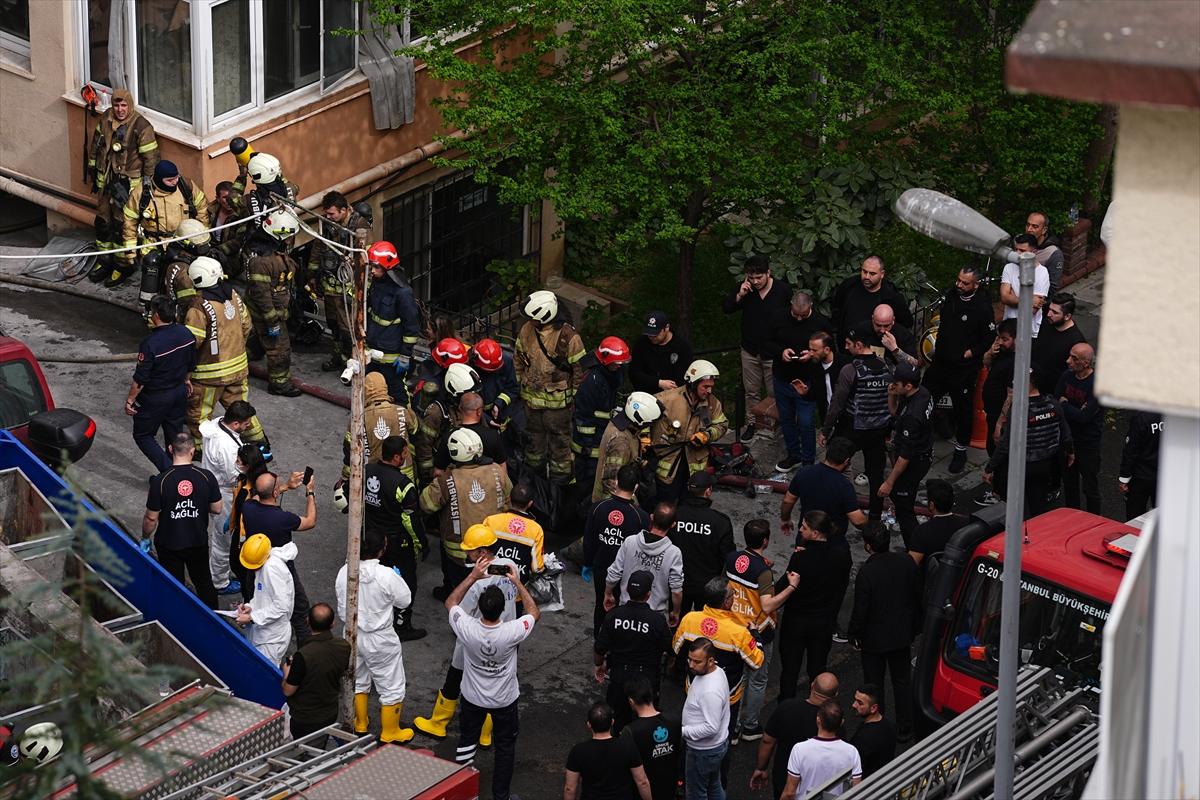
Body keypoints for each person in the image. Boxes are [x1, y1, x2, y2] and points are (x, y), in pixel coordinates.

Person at [414, 524, 519, 747]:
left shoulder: (476, 583)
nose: (466, 553)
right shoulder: (509, 566)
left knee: (453, 678)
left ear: (482, 552)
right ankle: (486, 734)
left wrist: (471, 578)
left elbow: (458, 608)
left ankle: (438, 723)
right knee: (495, 685)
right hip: (505, 637)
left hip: (473, 639)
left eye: (470, 550)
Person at [445, 553, 541, 800]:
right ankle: (501, 796)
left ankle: (464, 792)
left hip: (472, 697)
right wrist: (518, 582)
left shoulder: (467, 627)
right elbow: (533, 611)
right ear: (502, 610)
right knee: (505, 748)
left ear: (481, 608)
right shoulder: (512, 631)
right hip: (504, 700)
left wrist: (473, 576)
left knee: (467, 742)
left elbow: (451, 602)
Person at [183, 256, 267, 457]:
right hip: (238, 368)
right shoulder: (234, 295)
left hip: (209, 375)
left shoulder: (199, 306)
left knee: (199, 413)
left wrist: (185, 372)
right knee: (241, 409)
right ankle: (259, 442)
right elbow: (246, 325)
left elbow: (191, 343)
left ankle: (203, 450)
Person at [337, 529, 416, 743]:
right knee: (391, 684)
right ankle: (390, 732)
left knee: (359, 678)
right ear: (382, 549)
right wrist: (397, 579)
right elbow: (405, 601)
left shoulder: (345, 571)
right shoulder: (386, 575)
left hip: (352, 634)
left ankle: (360, 723)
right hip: (379, 638)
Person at [727, 520, 800, 742]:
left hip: (733, 627)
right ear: (766, 541)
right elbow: (768, 606)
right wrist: (791, 587)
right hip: (757, 632)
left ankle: (733, 727)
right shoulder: (763, 571)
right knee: (757, 680)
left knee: (735, 679)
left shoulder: (732, 558)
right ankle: (749, 726)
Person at [673, 578, 765, 751]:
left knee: (690, 737)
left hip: (693, 689)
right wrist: (756, 635)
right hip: (728, 698)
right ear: (726, 602)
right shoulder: (739, 633)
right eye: (733, 594)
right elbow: (757, 661)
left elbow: (675, 648)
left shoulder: (689, 620)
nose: (734, 597)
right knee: (722, 741)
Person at [420, 427, 512, 599]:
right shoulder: (496, 470)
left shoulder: (448, 479)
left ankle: (455, 598)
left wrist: (437, 481)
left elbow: (426, 504)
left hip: (459, 554)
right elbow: (509, 499)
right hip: (494, 548)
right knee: (493, 588)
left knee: (463, 594)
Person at [848, 522, 920, 741]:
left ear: (868, 546)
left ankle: (878, 723)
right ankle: (905, 727)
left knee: (874, 682)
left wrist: (854, 634)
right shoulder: (906, 562)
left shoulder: (867, 572)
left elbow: (861, 609)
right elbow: (917, 594)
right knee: (901, 681)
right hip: (901, 635)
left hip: (874, 640)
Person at [921, 266, 995, 474]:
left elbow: (989, 336)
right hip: (941, 362)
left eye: (965, 283)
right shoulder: (952, 296)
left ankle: (961, 450)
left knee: (963, 409)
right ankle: (922, 440)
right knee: (923, 397)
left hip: (963, 368)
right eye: (958, 280)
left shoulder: (982, 306)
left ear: (976, 284)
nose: (959, 285)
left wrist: (971, 353)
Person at [515, 289, 588, 486]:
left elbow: (580, 371)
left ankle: (560, 484)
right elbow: (519, 358)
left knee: (560, 446)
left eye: (533, 318)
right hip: (531, 405)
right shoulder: (526, 330)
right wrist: (522, 380)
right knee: (533, 444)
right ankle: (533, 481)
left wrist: (573, 399)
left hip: (558, 409)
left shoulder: (569, 338)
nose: (529, 322)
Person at [141, 433, 222, 609]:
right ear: (192, 451)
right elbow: (217, 508)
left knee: (173, 585)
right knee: (204, 582)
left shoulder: (161, 481)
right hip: (197, 541)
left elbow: (150, 518)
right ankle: (216, 619)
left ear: (170, 450)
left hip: (169, 544)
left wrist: (145, 537)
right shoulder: (206, 476)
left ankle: (175, 618)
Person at [776, 511, 851, 700]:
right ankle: (818, 705)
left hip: (796, 622)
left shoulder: (800, 558)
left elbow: (782, 587)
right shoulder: (839, 558)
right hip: (823, 622)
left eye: (804, 527)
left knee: (790, 670)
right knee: (817, 668)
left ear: (815, 533)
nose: (800, 529)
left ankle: (786, 707)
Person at [86, 87, 158, 282]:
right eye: (116, 105)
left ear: (130, 105)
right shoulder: (106, 118)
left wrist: (146, 187)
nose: (119, 109)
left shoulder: (142, 126)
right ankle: (104, 260)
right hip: (106, 181)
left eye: (124, 105)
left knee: (122, 225)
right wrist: (93, 170)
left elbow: (151, 160)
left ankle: (122, 266)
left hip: (127, 185)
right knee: (102, 222)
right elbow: (96, 146)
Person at [820, 327, 892, 520]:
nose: (845, 347)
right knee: (876, 476)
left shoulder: (850, 370)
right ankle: (875, 518)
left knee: (833, 466)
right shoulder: (886, 366)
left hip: (852, 428)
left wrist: (825, 430)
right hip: (877, 431)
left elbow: (836, 404)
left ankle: (833, 508)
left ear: (859, 345)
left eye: (849, 344)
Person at [241, 470, 317, 643]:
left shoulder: (248, 508)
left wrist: (285, 487)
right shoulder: (283, 519)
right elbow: (310, 521)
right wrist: (310, 492)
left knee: (255, 604)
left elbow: (260, 497)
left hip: (255, 566)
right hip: (282, 569)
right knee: (300, 610)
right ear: (275, 493)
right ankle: (303, 654)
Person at [723, 255, 792, 441]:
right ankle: (752, 423)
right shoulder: (745, 289)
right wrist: (740, 295)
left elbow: (790, 318)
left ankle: (775, 424)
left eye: (759, 277)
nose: (755, 282)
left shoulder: (782, 290)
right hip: (750, 350)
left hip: (773, 352)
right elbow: (727, 308)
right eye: (751, 278)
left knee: (774, 392)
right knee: (751, 391)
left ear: (768, 273)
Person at [364, 435, 427, 641]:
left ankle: (373, 614)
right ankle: (402, 625)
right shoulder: (404, 485)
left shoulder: (365, 471)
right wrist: (421, 543)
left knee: (372, 578)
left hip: (371, 538)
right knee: (407, 582)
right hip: (397, 542)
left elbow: (344, 498)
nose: (407, 457)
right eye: (405, 453)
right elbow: (411, 521)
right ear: (398, 457)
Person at [594, 570, 672, 734]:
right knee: (646, 725)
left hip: (619, 677)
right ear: (649, 594)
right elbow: (669, 648)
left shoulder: (614, 616)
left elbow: (600, 648)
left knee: (616, 722)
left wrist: (599, 665)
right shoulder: (657, 620)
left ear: (628, 590)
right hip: (646, 681)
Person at [983, 378, 1074, 518]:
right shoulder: (1053, 404)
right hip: (1044, 465)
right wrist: (1070, 452)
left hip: (1021, 466)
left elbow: (1005, 443)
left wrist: (990, 468)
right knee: (1038, 505)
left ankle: (1019, 535)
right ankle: (1036, 534)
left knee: (1016, 508)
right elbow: (1065, 433)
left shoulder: (1019, 408)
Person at [127, 294, 196, 473]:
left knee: (143, 435)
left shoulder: (150, 343)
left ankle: (170, 472)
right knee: (174, 435)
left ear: (156, 315)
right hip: (179, 393)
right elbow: (191, 363)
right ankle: (181, 470)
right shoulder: (186, 333)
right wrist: (186, 380)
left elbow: (141, 378)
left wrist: (130, 400)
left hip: (156, 398)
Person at [113, 160, 208, 288]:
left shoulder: (185, 186)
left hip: (182, 244)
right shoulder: (141, 193)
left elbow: (202, 208)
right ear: (158, 179)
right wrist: (131, 252)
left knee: (183, 279)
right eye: (170, 180)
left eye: (176, 178)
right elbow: (129, 223)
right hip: (154, 246)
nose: (174, 182)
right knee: (154, 282)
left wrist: (201, 237)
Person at [750, 672, 840, 800]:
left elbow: (767, 741)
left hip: (784, 778)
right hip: (816, 785)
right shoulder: (833, 721)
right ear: (835, 695)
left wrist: (761, 768)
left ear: (812, 685)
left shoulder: (786, 707)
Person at [584, 463, 652, 634]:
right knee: (623, 607)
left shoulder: (598, 508)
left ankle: (600, 639)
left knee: (602, 603)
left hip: (601, 568)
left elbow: (589, 540)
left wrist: (587, 562)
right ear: (636, 487)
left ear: (615, 482)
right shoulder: (641, 517)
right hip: (627, 572)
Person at [649, 360, 728, 503]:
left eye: (711, 387)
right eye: (705, 387)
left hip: (694, 463)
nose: (709, 391)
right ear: (693, 383)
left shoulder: (713, 403)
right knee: (665, 501)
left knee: (691, 502)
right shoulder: (666, 399)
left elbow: (722, 425)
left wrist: (707, 435)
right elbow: (644, 418)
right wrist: (644, 438)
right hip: (669, 462)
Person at [768, 291, 831, 469]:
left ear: (811, 306)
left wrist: (811, 355)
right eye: (795, 314)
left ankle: (808, 461)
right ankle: (794, 455)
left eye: (803, 315)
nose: (799, 319)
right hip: (782, 378)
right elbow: (766, 342)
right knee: (786, 420)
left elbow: (828, 350)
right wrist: (781, 352)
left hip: (807, 380)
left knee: (806, 422)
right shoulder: (778, 317)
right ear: (791, 305)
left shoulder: (820, 322)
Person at [200, 400, 257, 596]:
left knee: (220, 535)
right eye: (246, 423)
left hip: (210, 483)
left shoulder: (217, 424)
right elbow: (233, 475)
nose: (248, 425)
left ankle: (219, 574)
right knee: (222, 538)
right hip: (223, 493)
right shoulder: (227, 447)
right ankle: (219, 581)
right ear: (235, 424)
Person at [308, 191, 370, 371]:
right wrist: (312, 274)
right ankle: (337, 356)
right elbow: (318, 246)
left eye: (331, 214)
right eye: (326, 213)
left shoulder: (360, 226)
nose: (328, 217)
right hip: (330, 284)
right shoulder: (327, 224)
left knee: (348, 327)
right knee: (333, 323)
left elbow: (365, 256)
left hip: (348, 287)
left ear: (343, 210)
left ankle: (351, 361)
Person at [243, 210, 303, 397]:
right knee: (280, 348)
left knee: (256, 342)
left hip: (274, 310)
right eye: (289, 236)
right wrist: (273, 322)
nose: (291, 239)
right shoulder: (261, 261)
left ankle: (245, 360)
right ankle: (279, 384)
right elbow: (261, 294)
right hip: (268, 313)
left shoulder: (272, 252)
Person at [604, 502, 684, 626]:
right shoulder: (674, 553)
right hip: (655, 614)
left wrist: (608, 593)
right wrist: (676, 611)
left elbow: (614, 572)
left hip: (626, 609)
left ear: (651, 517)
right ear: (673, 524)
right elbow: (676, 590)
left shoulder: (630, 542)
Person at [880, 363, 934, 547]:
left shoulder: (913, 414)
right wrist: (891, 395)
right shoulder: (921, 392)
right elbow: (895, 412)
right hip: (921, 451)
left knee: (904, 508)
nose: (893, 385)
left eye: (897, 383)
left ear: (908, 386)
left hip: (915, 460)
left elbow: (905, 456)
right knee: (901, 498)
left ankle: (914, 549)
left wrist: (889, 482)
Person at [282, 603, 351, 740]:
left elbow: (288, 690)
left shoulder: (302, 656)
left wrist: (286, 672)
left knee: (303, 752)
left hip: (304, 719)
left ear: (307, 622)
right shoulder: (344, 646)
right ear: (332, 624)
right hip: (330, 713)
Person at [572, 336, 632, 490]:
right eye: (617, 363)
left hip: (602, 432)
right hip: (589, 442)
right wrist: (588, 443)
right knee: (588, 480)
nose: (619, 367)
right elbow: (584, 416)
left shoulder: (611, 373)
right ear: (606, 360)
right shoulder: (592, 381)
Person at [364, 240, 421, 404]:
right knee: (370, 390)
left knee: (397, 394)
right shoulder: (375, 283)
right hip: (372, 351)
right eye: (371, 266)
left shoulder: (403, 293)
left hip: (392, 357)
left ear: (387, 267)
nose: (372, 271)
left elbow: (411, 327)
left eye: (376, 267)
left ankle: (404, 423)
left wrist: (405, 355)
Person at [672, 472, 736, 614]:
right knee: (706, 627)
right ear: (708, 491)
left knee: (677, 622)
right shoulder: (720, 522)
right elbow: (729, 556)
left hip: (677, 582)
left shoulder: (674, 515)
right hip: (708, 587)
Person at [779, 437, 868, 538]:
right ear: (847, 461)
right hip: (832, 540)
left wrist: (785, 519)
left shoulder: (805, 472)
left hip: (806, 533)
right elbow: (858, 520)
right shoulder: (844, 486)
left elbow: (788, 500)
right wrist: (869, 523)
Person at [564, 702, 653, 800]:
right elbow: (642, 781)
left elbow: (570, 788)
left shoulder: (578, 751)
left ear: (589, 724)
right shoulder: (628, 746)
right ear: (612, 722)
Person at [342, 371, 419, 484]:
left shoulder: (358, 419)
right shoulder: (402, 411)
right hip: (404, 475)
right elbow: (415, 429)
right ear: (385, 388)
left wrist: (345, 477)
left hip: (373, 477)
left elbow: (349, 449)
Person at [680, 638, 731, 800]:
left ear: (710, 661)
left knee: (696, 793)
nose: (691, 665)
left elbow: (711, 727)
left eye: (697, 661)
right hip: (715, 748)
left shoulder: (711, 692)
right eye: (690, 659)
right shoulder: (717, 671)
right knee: (713, 785)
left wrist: (682, 731)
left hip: (703, 751)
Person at [235, 533, 297, 666]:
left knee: (264, 675)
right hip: (263, 633)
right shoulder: (264, 563)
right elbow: (263, 596)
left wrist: (252, 617)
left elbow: (281, 607)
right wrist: (250, 607)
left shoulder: (272, 570)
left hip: (271, 639)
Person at [779, 700, 862, 798]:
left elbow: (789, 792)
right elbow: (856, 790)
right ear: (841, 723)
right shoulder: (852, 752)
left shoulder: (800, 749)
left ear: (818, 720)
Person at [592, 391, 663, 504]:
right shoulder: (621, 442)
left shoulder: (622, 424)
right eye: (649, 423)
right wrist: (628, 508)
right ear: (640, 421)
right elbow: (612, 481)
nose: (650, 426)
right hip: (613, 504)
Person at [1057, 343, 1103, 513]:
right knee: (1070, 484)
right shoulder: (1067, 376)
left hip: (1088, 444)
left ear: (1085, 363)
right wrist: (1073, 409)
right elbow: (1056, 401)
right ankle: (1072, 517)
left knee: (1090, 488)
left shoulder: (1096, 385)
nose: (1068, 361)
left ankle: (1094, 520)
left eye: (1074, 358)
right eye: (1069, 355)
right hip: (1068, 440)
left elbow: (1085, 417)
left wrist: (1066, 404)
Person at [977, 319, 1018, 507]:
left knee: (999, 454)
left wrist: (1001, 423)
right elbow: (985, 364)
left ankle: (1001, 494)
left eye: (1005, 339)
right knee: (991, 450)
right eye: (999, 338)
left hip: (1001, 416)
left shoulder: (1016, 361)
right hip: (991, 411)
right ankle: (997, 489)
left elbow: (1011, 394)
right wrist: (990, 352)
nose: (1000, 342)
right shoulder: (1001, 352)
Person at [831, 256, 913, 345]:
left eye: (872, 274)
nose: (867, 276)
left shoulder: (891, 296)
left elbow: (906, 323)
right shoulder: (849, 286)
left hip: (876, 352)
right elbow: (837, 310)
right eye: (864, 271)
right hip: (847, 347)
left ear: (882, 274)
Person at [625, 675, 683, 800]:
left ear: (631, 701)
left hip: (644, 794)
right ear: (651, 695)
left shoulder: (631, 731)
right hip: (669, 789)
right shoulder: (675, 721)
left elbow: (640, 779)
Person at [417, 362, 477, 482]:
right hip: (441, 470)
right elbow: (424, 445)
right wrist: (429, 474)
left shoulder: (463, 404)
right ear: (455, 393)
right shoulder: (436, 412)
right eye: (468, 395)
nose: (472, 398)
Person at [483, 482, 546, 581]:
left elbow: (481, 555)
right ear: (530, 503)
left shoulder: (490, 521)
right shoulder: (536, 529)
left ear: (509, 499)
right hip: (518, 586)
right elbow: (537, 568)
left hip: (490, 580)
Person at [229, 444, 268, 602]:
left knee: (248, 575)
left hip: (249, 539)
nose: (236, 463)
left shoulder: (258, 490)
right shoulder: (243, 481)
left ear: (249, 465)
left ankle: (250, 604)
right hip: (239, 532)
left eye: (239, 461)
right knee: (236, 565)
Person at [433, 391, 507, 472]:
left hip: (459, 483)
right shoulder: (493, 436)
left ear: (460, 409)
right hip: (488, 483)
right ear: (479, 411)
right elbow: (502, 468)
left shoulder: (450, 437)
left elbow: (438, 471)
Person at [1032, 292, 1088, 394]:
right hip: (1033, 382)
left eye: (1055, 312)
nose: (1049, 314)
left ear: (1067, 316)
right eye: (1049, 309)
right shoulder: (1047, 323)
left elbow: (1075, 372)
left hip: (1051, 391)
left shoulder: (1076, 341)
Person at [908, 480, 969, 570]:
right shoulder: (966, 524)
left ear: (931, 505)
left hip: (932, 578)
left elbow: (911, 564)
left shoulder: (922, 531)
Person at [630, 310, 693, 396]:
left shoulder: (682, 347)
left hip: (673, 396)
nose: (651, 337)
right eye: (649, 333)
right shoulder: (641, 344)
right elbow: (634, 373)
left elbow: (683, 378)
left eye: (655, 334)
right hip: (645, 396)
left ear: (666, 328)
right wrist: (658, 383)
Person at [1001, 235, 1052, 338]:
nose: (1017, 254)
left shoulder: (1042, 273)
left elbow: (1032, 309)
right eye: (1016, 249)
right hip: (1008, 330)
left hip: (1029, 331)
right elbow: (1004, 297)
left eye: (1022, 250)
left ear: (1034, 252)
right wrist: (1029, 299)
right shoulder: (1009, 267)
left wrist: (1013, 296)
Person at [472, 337, 522, 432]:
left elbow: (513, 389)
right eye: (487, 371)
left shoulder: (506, 361)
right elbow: (466, 402)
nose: (491, 373)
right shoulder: (469, 369)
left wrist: (499, 403)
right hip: (478, 417)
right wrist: (485, 418)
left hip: (502, 411)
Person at [1119, 411, 1163, 520]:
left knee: (1135, 516)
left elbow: (1131, 450)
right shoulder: (1172, 414)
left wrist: (1124, 478)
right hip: (1164, 474)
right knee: (1162, 516)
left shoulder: (1141, 418)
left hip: (1140, 476)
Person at [848, 684, 896, 778]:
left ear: (873, 708)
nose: (854, 705)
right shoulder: (890, 726)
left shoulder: (862, 739)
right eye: (855, 700)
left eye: (860, 703)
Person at [870, 305, 919, 370]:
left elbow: (914, 366)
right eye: (878, 325)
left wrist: (895, 349)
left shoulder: (903, 334)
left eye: (886, 326)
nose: (882, 330)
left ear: (893, 320)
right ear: (873, 319)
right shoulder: (863, 330)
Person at [1025, 211, 1064, 293]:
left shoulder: (1053, 253)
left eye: (1034, 227)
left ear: (1044, 230)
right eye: (1028, 225)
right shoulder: (1020, 244)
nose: (1029, 229)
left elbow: (1052, 287)